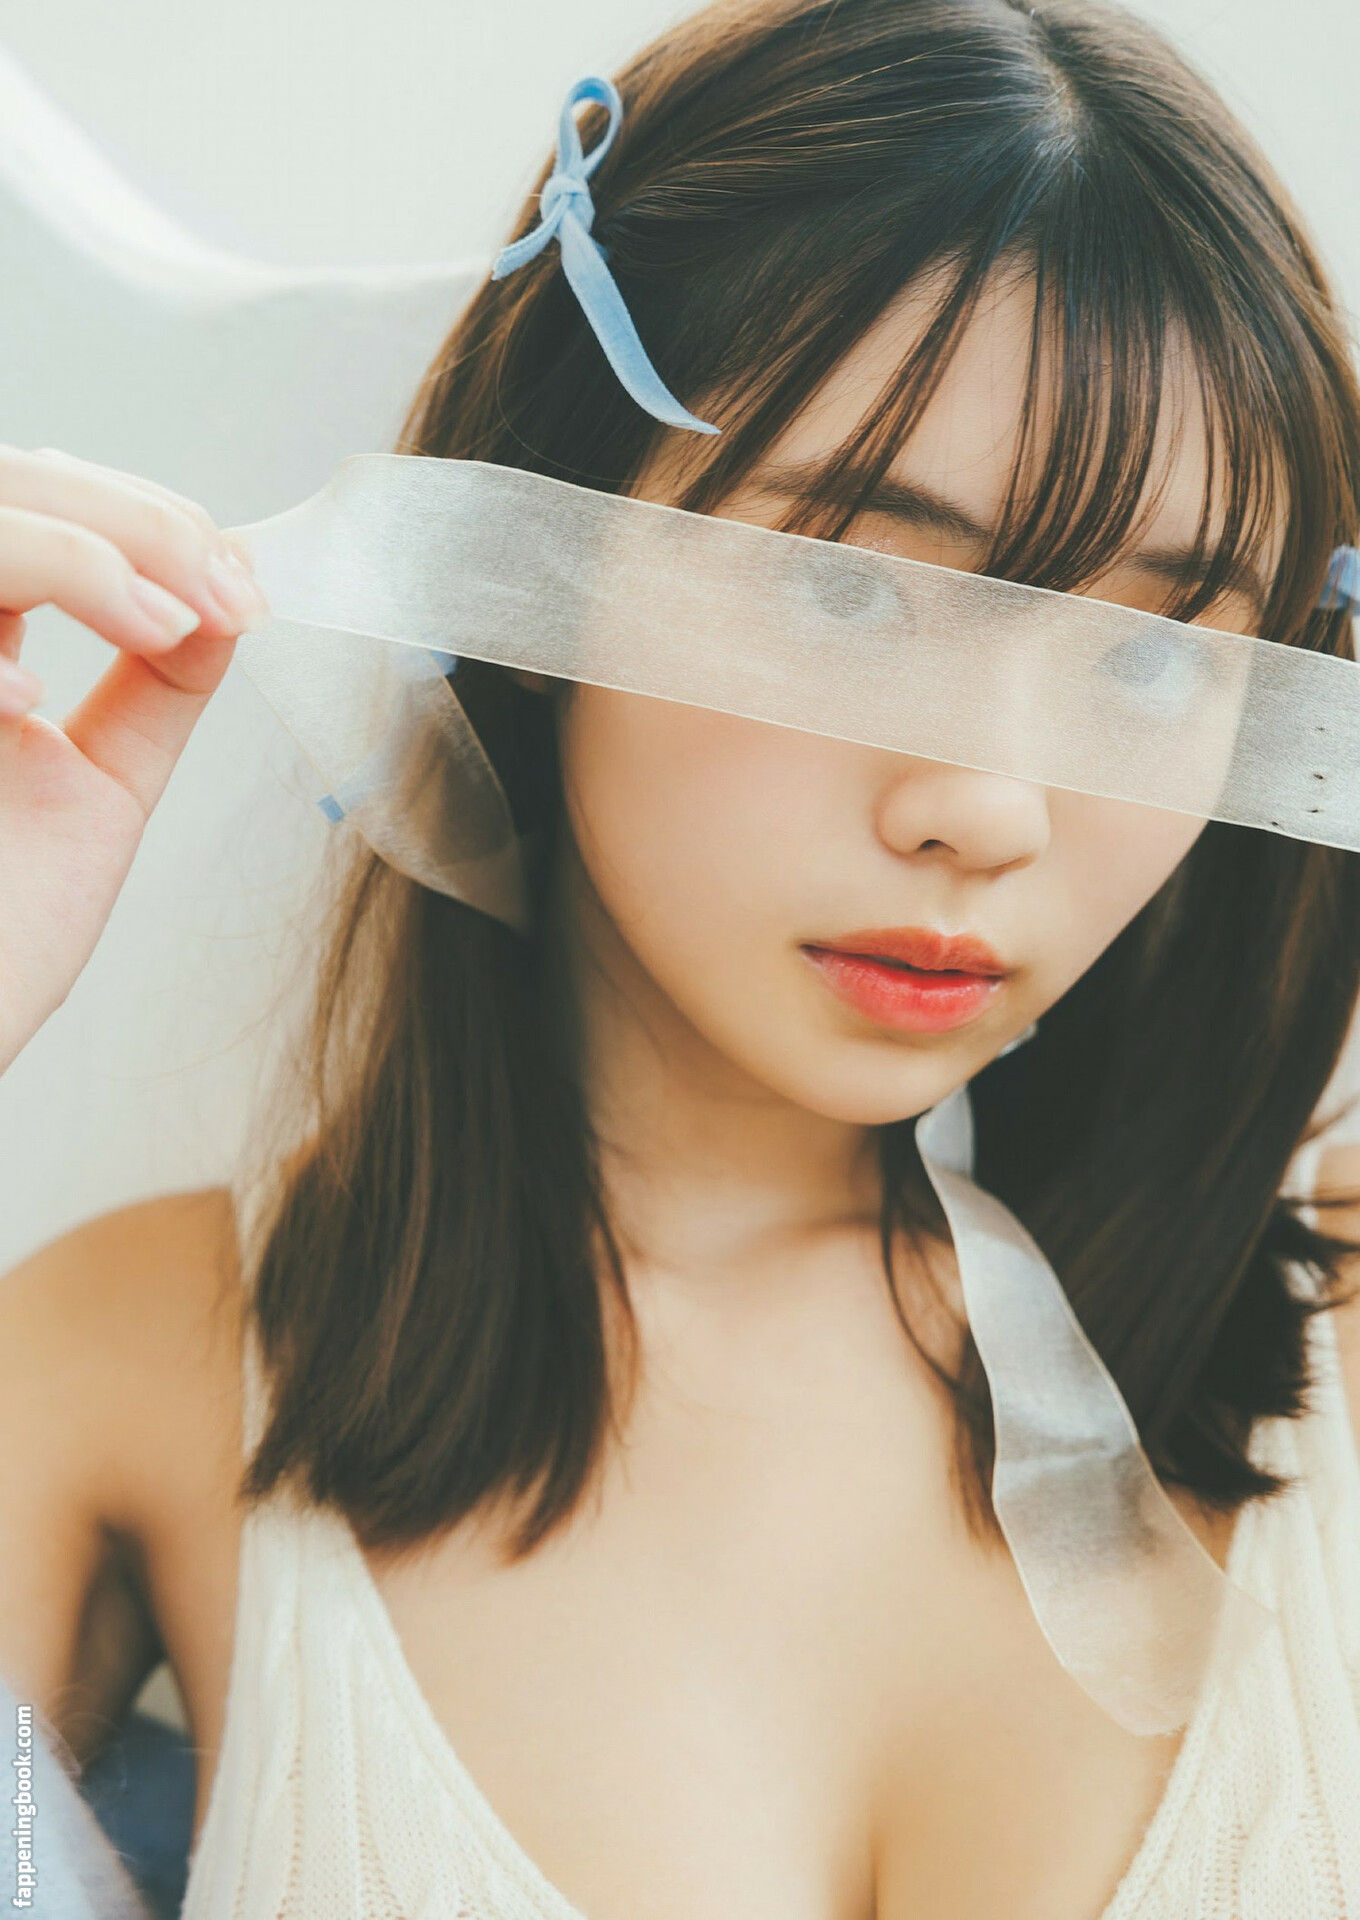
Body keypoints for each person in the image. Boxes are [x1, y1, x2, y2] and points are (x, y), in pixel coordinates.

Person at [3, 0, 1360, 1914]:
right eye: (846, 593)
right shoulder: (144, 1364)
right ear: (526, 560)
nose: (988, 808)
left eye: (1151, 653)